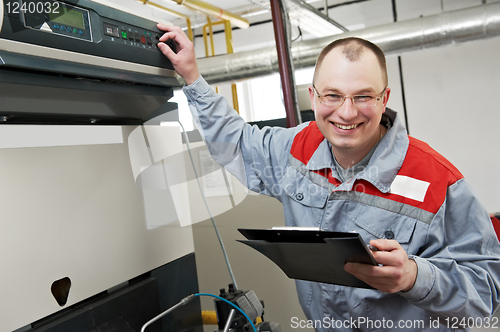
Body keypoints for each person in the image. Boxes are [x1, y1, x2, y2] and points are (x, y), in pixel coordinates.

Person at [156, 23, 500, 331]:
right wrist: (192, 77)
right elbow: (237, 142)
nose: (346, 112)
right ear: (314, 96)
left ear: (384, 99)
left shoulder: (438, 181)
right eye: (333, 95)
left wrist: (414, 277)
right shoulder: (295, 150)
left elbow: (486, 292)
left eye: (363, 96)